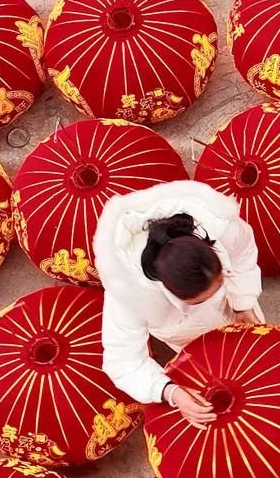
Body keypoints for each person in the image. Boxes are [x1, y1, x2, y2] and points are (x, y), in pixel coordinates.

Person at [96, 180, 263, 428]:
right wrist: (171, 392)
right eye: (200, 300)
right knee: (215, 381)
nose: (209, 301)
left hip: (236, 307)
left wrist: (243, 304)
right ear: (170, 292)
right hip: (185, 336)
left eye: (218, 284)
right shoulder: (128, 293)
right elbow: (123, 363)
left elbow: (243, 256)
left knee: (260, 366)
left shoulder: (218, 225)